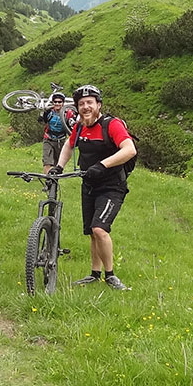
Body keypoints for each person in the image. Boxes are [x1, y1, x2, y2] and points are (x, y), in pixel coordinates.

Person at [49, 84, 136, 291]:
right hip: (89, 184)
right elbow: (70, 145)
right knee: (91, 232)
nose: (85, 107)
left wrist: (102, 165)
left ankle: (111, 275)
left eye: (90, 103)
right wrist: (58, 167)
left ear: (98, 105)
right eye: (81, 104)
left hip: (112, 186)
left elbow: (129, 149)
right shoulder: (80, 127)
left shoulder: (111, 125)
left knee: (100, 228)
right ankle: (94, 274)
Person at [38, 91, 76, 172]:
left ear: (63, 103)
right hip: (48, 139)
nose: (57, 103)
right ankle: (48, 182)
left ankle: (54, 182)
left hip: (60, 141)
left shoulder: (68, 113)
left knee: (57, 164)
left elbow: (72, 125)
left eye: (59, 102)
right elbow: (42, 120)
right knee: (47, 163)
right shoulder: (49, 112)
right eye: (55, 102)